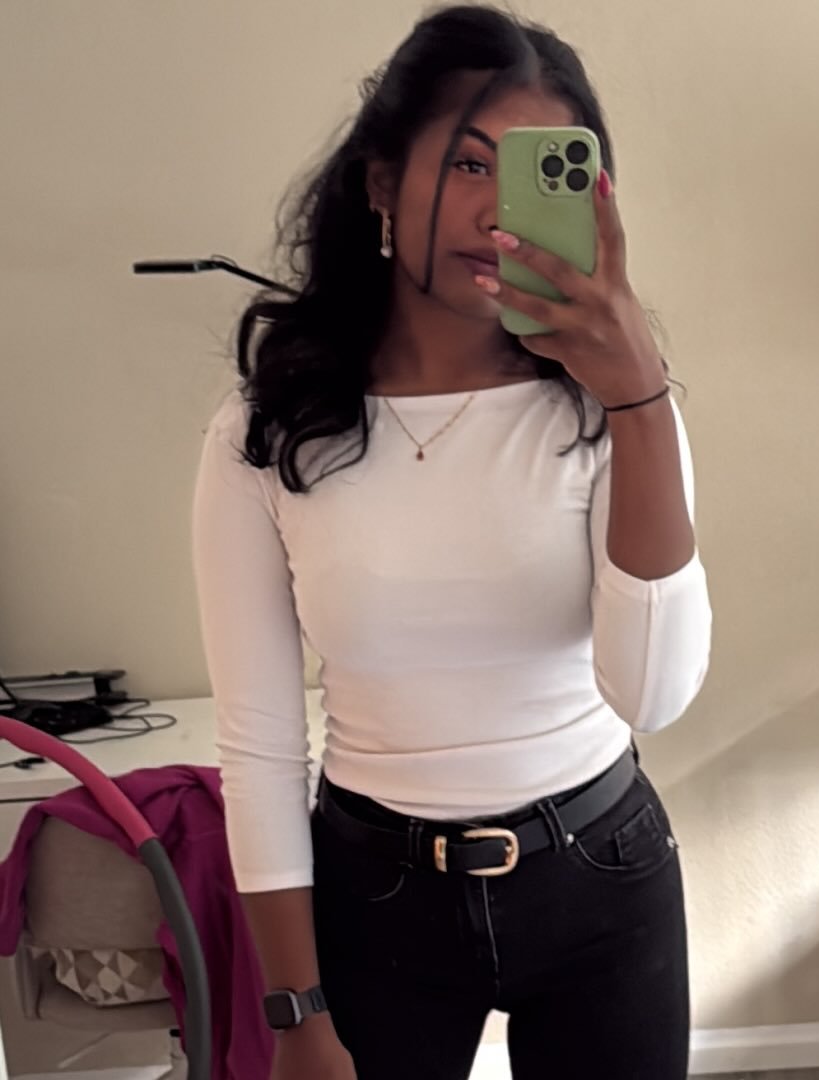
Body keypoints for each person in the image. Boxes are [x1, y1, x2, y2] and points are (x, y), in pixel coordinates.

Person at [192, 6, 712, 1079]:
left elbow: (652, 694)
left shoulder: (610, 409)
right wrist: (295, 1012)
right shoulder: (269, 432)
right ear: (383, 182)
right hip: (375, 895)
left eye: (536, 173)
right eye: (471, 162)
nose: (497, 210)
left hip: (602, 876)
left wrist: (642, 401)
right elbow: (260, 743)